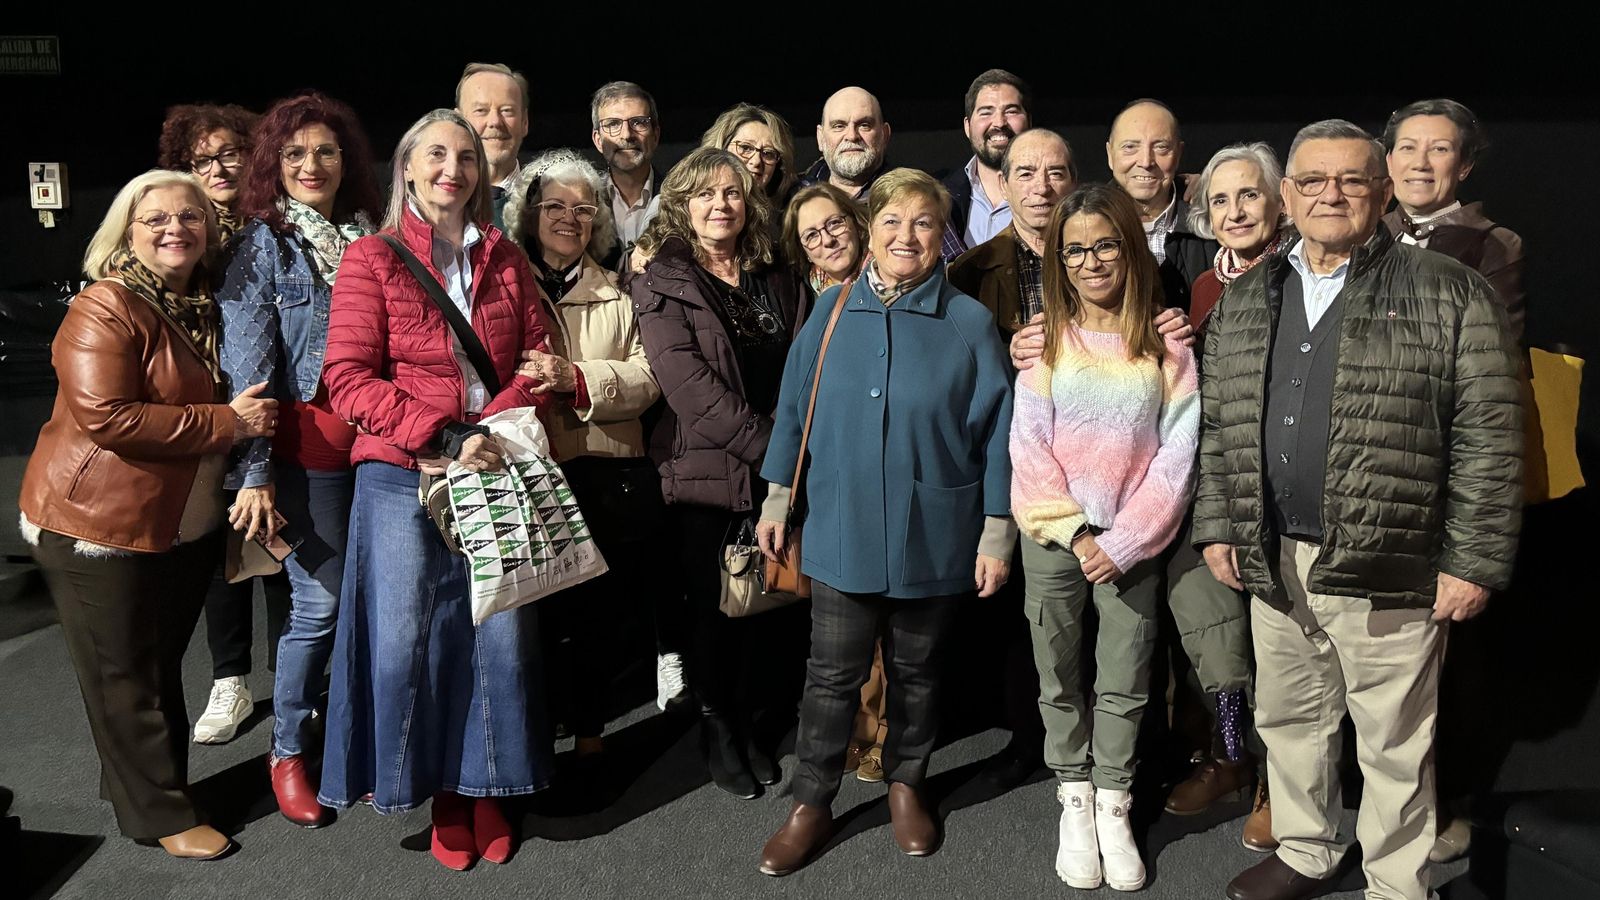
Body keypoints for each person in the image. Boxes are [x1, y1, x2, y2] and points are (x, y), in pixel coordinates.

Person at [1199, 120, 1523, 900]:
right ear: (1288, 196)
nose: (1331, 195)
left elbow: (1493, 436)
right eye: (1312, 181)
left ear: (1381, 192)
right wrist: (1219, 522)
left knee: (1394, 742)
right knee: (1290, 720)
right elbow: (1221, 423)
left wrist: (1473, 560)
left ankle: (1396, 883)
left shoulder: (1450, 292)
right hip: (1275, 555)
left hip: (1393, 560)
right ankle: (1308, 848)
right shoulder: (1246, 298)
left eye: (1351, 180)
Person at [754, 168, 1014, 876]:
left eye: (923, 223)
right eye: (892, 222)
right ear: (869, 231)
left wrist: (997, 533)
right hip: (839, 531)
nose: (906, 236)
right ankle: (812, 800)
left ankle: (907, 784)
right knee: (830, 678)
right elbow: (794, 409)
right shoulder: (833, 308)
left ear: (942, 236)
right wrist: (777, 499)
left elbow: (998, 435)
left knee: (919, 674)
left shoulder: (967, 322)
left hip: (936, 531)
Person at [317, 109, 555, 871]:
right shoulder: (371, 257)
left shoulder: (507, 257)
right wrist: (444, 435)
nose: (453, 168)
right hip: (401, 474)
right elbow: (347, 379)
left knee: (501, 636)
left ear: (482, 175)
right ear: (408, 169)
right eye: (437, 155)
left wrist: (497, 420)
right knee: (408, 644)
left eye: (468, 158)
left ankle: (486, 788)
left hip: (492, 465)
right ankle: (442, 794)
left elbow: (539, 354)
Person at [18, 169, 277, 860]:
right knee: (125, 676)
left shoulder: (204, 303)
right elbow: (111, 417)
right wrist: (230, 422)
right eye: (155, 218)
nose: (175, 228)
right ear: (126, 231)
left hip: (176, 526)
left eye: (191, 217)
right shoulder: (105, 306)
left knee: (155, 668)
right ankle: (158, 815)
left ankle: (143, 784)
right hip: (96, 525)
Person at [1011, 183, 1198, 892]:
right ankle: (1074, 795)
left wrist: (1121, 541)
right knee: (1058, 671)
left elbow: (1176, 453)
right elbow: (1028, 445)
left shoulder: (1166, 342)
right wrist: (1076, 529)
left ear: (1130, 247)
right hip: (1055, 536)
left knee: (1125, 675)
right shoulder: (1045, 339)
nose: (1091, 262)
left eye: (1105, 245)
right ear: (1059, 260)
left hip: (1133, 542)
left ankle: (1114, 802)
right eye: (1075, 250)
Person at [216, 91, 381, 827]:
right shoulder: (263, 245)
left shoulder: (373, 236)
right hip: (306, 458)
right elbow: (249, 377)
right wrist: (254, 474)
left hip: (381, 449)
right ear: (272, 166)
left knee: (372, 607)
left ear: (348, 161)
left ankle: (348, 747)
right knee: (321, 606)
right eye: (294, 154)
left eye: (325, 151)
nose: (311, 165)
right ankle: (286, 750)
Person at [629, 147, 810, 800]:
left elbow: (806, 365)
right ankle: (718, 728)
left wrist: (788, 458)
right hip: (706, 475)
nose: (721, 204)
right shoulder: (661, 280)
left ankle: (755, 718)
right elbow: (692, 393)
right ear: (682, 203)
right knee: (714, 612)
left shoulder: (777, 270)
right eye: (705, 194)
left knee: (768, 606)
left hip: (779, 466)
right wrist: (777, 453)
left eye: (731, 192)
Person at [1381, 97, 1528, 866]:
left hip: (1438, 475)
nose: (1418, 163)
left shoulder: (1489, 244)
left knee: (1440, 664)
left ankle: (1439, 806)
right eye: (1406, 148)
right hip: (1365, 478)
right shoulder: (1363, 228)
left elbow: (1484, 371)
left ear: (1463, 166)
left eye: (1437, 151)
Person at [503, 148, 663, 776]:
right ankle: (530, 736)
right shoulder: (499, 286)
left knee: (598, 613)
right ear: (528, 213)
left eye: (582, 209)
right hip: (525, 467)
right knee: (530, 618)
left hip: (604, 468)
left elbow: (650, 376)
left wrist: (576, 378)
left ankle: (593, 733)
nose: (568, 219)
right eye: (554, 207)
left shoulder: (620, 292)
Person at [1161, 142, 1289, 851]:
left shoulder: (1304, 278)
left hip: (1278, 493)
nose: (1235, 211)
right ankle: (1231, 754)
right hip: (1211, 487)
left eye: (1249, 195)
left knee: (1282, 645)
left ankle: (1279, 781)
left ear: (1279, 201)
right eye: (1219, 200)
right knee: (1210, 630)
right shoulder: (1206, 286)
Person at [158, 102, 286, 745]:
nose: (214, 168)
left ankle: (292, 682)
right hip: (207, 418)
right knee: (222, 555)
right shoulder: (181, 231)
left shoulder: (276, 226)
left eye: (228, 153)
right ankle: (229, 680)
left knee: (282, 549)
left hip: (271, 410)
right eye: (199, 159)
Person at [1105, 99, 1215, 316]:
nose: (1146, 161)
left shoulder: (1211, 224)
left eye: (1161, 147)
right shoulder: (1085, 224)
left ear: (1179, 153)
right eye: (1130, 147)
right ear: (1110, 154)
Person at [941, 69, 1031, 260]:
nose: (999, 122)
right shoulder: (938, 194)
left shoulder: (1054, 197)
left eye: (1011, 111)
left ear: (1029, 121)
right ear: (967, 126)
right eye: (986, 112)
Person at [158, 103, 260, 247]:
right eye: (203, 162)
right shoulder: (182, 227)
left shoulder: (280, 217)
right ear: (188, 171)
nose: (217, 170)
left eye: (228, 155)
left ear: (250, 155)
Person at [591, 81, 662, 268]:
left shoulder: (681, 197)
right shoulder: (584, 201)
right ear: (598, 140)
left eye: (638, 122)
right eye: (613, 124)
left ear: (655, 135)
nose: (627, 134)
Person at [455, 62, 532, 229]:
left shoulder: (549, 204)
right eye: (481, 110)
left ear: (524, 121)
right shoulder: (435, 206)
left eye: (507, 110)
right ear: (458, 122)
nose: (495, 122)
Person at [702, 103, 799, 209]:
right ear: (721, 148)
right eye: (746, 148)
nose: (757, 161)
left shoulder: (787, 218)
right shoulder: (695, 208)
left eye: (768, 153)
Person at [801, 87, 891, 200]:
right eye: (839, 126)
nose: (852, 136)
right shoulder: (792, 198)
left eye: (864, 125)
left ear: (885, 134)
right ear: (820, 137)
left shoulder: (910, 197)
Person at [781, 182, 869, 294]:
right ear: (803, 251)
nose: (828, 240)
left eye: (834, 223)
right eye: (811, 235)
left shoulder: (887, 274)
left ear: (856, 223)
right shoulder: (801, 298)